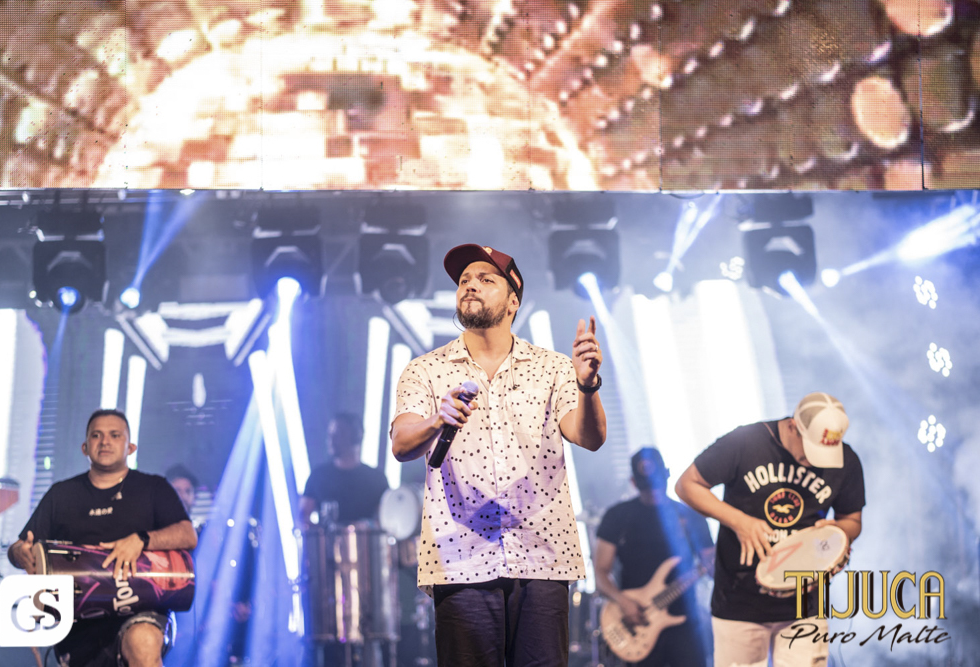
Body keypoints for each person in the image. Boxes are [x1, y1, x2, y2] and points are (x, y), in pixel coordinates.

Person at [390, 243, 607, 667]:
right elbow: (400, 444)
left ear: (513, 301)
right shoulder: (425, 369)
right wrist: (437, 420)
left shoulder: (554, 367)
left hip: (543, 555)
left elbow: (589, 437)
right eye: (464, 280)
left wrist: (587, 386)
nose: (470, 285)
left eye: (486, 279)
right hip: (459, 559)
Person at [675, 392, 865, 667]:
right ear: (792, 426)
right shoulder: (745, 442)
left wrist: (838, 533)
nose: (817, 461)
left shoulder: (846, 460)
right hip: (739, 600)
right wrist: (739, 521)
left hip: (805, 605)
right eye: (812, 450)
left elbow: (852, 520)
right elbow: (686, 485)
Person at [8, 408, 198, 667]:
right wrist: (20, 553)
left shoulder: (153, 488)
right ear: (85, 447)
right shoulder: (62, 494)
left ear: (130, 447)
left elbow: (188, 535)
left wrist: (141, 540)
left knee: (142, 643)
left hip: (142, 611)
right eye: (96, 435)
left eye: (114, 435)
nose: (105, 441)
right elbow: (21, 547)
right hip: (78, 624)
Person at [594, 447, 714, 667]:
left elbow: (712, 563)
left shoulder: (690, 516)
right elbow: (600, 572)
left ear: (668, 474)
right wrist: (622, 601)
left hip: (685, 623)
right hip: (636, 620)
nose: (654, 494)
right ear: (633, 482)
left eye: (657, 485)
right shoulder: (617, 516)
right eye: (647, 488)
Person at [298, 412, 390, 529]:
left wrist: (366, 525)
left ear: (356, 436)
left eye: (338, 434)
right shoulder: (318, 476)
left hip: (366, 545)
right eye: (330, 434)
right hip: (327, 546)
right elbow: (303, 516)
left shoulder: (376, 479)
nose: (331, 440)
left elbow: (387, 519)